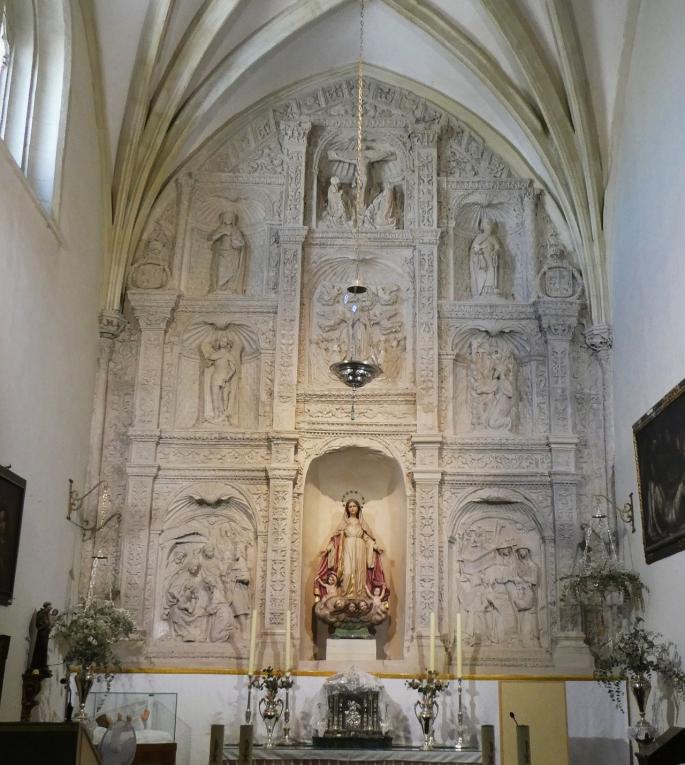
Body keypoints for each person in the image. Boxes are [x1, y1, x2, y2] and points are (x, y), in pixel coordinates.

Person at [315, 498, 387, 601]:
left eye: (354, 506)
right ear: (347, 509)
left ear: (358, 508)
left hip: (360, 549)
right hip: (347, 547)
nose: (352, 508)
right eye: (350, 507)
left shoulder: (362, 524)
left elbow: (368, 539)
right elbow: (336, 540)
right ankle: (345, 595)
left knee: (359, 572)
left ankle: (360, 595)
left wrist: (377, 547)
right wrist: (327, 549)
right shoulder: (344, 523)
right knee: (347, 571)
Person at [208, 211, 246, 293]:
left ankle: (230, 288)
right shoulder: (220, 229)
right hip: (222, 253)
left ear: (233, 219)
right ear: (223, 219)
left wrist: (234, 240)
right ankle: (219, 288)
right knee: (221, 270)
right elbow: (212, 238)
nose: (228, 219)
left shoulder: (236, 230)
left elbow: (242, 242)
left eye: (230, 217)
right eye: (227, 217)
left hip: (233, 253)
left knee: (232, 270)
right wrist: (222, 233)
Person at [469, 219, 502, 298]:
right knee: (482, 275)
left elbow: (498, 248)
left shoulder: (493, 238)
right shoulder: (479, 237)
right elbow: (473, 250)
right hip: (481, 260)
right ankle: (482, 291)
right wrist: (478, 251)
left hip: (490, 259)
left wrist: (495, 252)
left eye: (490, 224)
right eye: (487, 224)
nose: (490, 226)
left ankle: (489, 291)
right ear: (483, 226)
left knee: (491, 273)